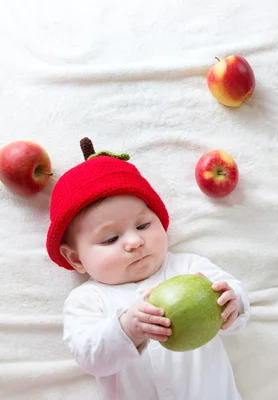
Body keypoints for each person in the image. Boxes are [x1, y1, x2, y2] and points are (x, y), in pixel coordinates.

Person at [46, 138, 250, 400]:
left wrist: (234, 303)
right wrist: (127, 329)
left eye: (143, 226)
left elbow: (235, 298)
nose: (134, 242)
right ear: (75, 259)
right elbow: (89, 358)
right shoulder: (86, 300)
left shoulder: (189, 268)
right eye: (110, 239)